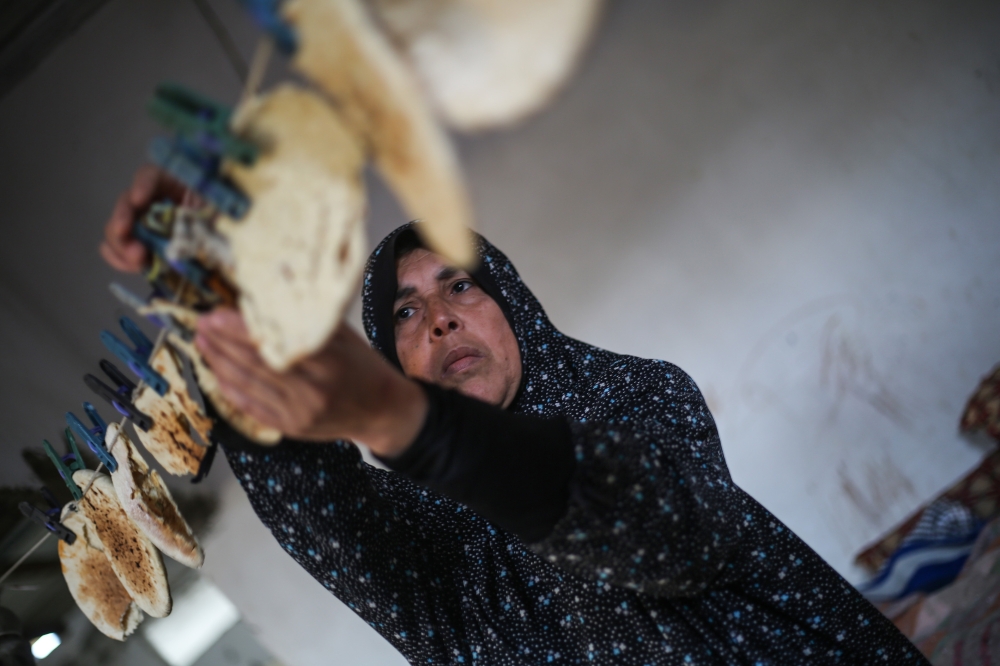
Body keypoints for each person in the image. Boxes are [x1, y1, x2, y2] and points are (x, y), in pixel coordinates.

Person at [103, 167, 926, 665]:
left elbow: (665, 538)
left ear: (515, 305)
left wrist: (409, 423)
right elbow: (325, 512)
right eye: (404, 313)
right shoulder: (432, 549)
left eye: (461, 285)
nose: (439, 320)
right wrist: (215, 296)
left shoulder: (639, 399)